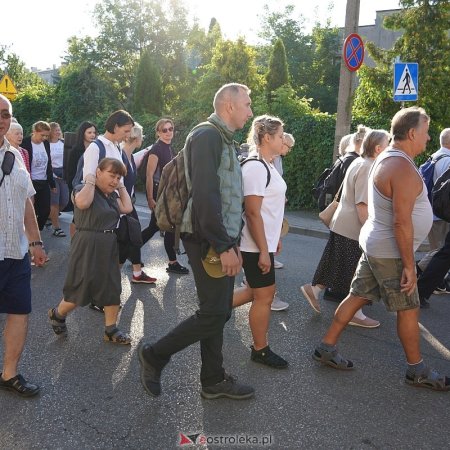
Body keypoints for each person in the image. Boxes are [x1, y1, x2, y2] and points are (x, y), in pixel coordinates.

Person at [313, 107, 450, 392]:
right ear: (412, 133)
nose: (427, 139)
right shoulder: (399, 166)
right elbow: (401, 222)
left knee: (357, 295)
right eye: (425, 132)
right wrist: (410, 266)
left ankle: (326, 347)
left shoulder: (389, 157)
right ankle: (417, 370)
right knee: (409, 310)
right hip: (391, 252)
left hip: (378, 245)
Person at [138, 83, 254, 400]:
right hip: (205, 238)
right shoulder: (208, 136)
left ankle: (213, 380)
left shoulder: (224, 140)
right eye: (246, 104)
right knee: (216, 313)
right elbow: (205, 195)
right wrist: (223, 245)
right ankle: (155, 354)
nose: (250, 110)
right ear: (229, 106)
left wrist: (233, 239)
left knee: (215, 310)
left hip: (218, 237)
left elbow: (228, 198)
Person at [301, 129, 390, 328]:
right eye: (388, 145)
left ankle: (314, 289)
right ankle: (354, 313)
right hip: (353, 227)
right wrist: (371, 232)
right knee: (354, 273)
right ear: (378, 148)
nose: (389, 149)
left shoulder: (359, 161)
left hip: (342, 223)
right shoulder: (368, 166)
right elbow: (362, 205)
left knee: (336, 264)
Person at [48, 158, 133, 344]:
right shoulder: (83, 188)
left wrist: (121, 186)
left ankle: (111, 330)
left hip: (108, 243)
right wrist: (91, 181)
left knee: (112, 286)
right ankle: (57, 313)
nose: (115, 180)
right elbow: (83, 203)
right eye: (112, 175)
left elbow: (127, 208)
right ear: (99, 172)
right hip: (87, 242)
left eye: (118, 177)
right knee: (81, 288)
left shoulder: (112, 195)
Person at [232, 115, 288, 369]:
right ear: (267, 138)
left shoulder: (267, 164)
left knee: (256, 291)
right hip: (253, 246)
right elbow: (253, 213)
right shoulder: (255, 166)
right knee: (264, 296)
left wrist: (273, 240)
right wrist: (264, 250)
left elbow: (268, 210)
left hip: (261, 243)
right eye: (279, 136)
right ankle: (260, 349)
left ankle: (211, 310)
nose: (283, 139)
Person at [0, 94, 46, 397]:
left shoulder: (14, 155)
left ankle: (9, 373)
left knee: (20, 311)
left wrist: (36, 240)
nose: (1, 119)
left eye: (5, 114)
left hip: (16, 252)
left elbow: (27, 200)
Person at [322, 125, 369, 303]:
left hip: (341, 216)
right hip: (348, 218)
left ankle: (327, 290)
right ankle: (336, 293)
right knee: (343, 261)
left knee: (337, 258)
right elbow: (357, 197)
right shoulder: (356, 161)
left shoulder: (347, 158)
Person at [141, 118, 189, 275]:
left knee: (158, 226)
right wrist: (149, 198)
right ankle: (172, 262)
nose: (168, 132)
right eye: (164, 130)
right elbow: (149, 176)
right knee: (167, 226)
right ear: (158, 132)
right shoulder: (156, 150)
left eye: (171, 129)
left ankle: (130, 251)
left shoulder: (169, 148)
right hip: (158, 194)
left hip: (167, 195)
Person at [120, 122, 157, 284]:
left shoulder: (129, 156)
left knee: (133, 239)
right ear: (136, 137)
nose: (143, 138)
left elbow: (142, 154)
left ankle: (136, 273)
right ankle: (108, 282)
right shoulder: (121, 157)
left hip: (129, 205)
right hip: (122, 208)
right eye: (141, 135)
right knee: (127, 242)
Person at [416, 128, 450, 303]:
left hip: (429, 210)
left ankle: (436, 282)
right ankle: (418, 274)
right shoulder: (448, 161)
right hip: (442, 214)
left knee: (438, 250)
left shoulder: (434, 157)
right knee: (440, 251)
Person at [21, 121, 56, 231]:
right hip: (31, 181)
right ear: (34, 132)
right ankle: (29, 235)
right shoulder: (25, 143)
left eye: (47, 135)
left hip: (44, 181)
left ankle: (38, 231)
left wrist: (52, 183)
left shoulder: (45, 144)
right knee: (31, 210)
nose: (45, 138)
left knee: (45, 210)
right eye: (42, 135)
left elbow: (48, 163)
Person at [66, 121, 98, 237]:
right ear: (82, 134)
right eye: (89, 132)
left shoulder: (97, 148)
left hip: (92, 187)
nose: (92, 135)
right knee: (77, 217)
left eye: (94, 132)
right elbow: (70, 171)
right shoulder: (76, 150)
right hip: (78, 187)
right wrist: (73, 189)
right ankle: (74, 241)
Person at [48, 122, 69, 237]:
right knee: (54, 202)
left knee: (65, 200)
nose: (58, 131)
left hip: (63, 174)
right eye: (55, 130)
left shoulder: (63, 143)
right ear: (51, 131)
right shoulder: (47, 144)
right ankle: (56, 227)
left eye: (59, 129)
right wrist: (53, 174)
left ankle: (49, 216)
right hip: (53, 175)